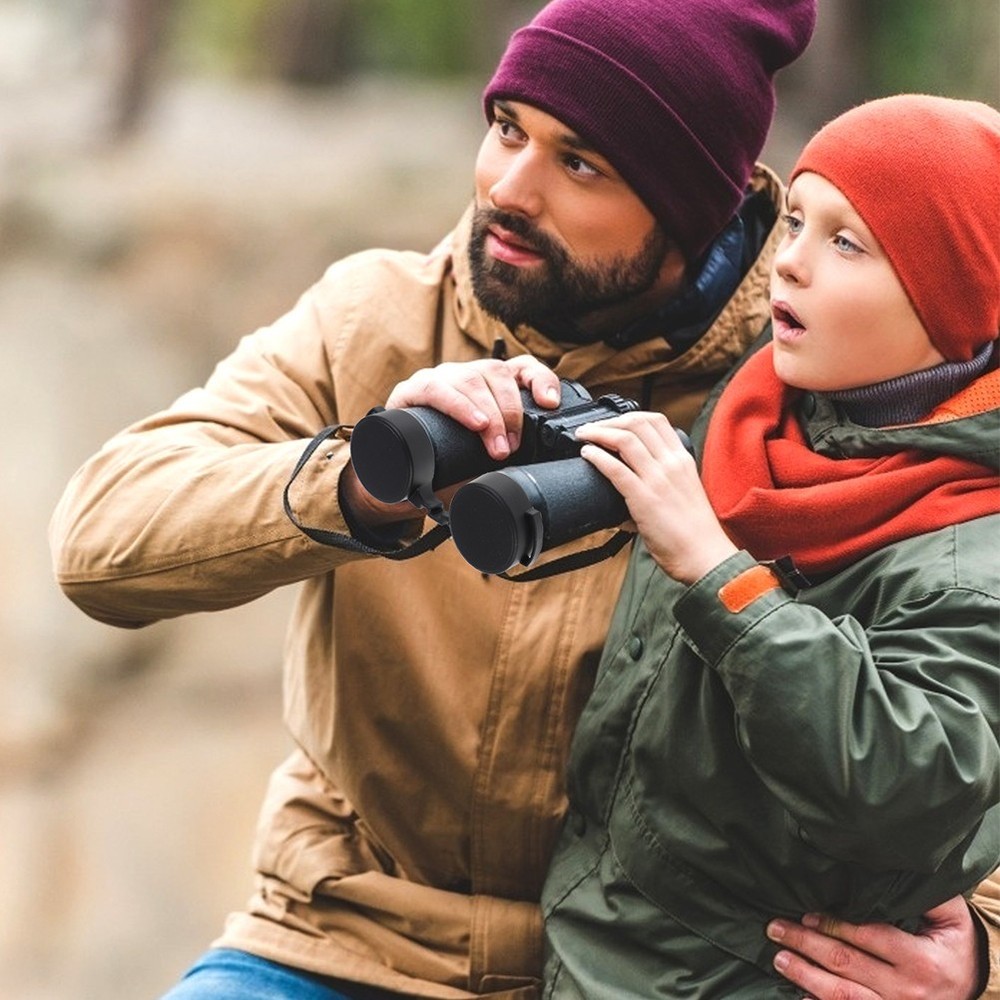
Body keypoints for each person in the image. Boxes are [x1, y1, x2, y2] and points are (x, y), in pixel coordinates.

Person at [47, 0, 996, 992]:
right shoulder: (379, 319)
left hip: (655, 969)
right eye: (506, 128)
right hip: (347, 934)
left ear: (691, 206)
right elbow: (101, 541)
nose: (508, 187)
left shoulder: (814, 371)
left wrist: (982, 951)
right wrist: (365, 482)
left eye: (578, 163)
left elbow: (946, 684)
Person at [539, 93, 1000, 998]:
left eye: (847, 243)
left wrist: (720, 576)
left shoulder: (971, 559)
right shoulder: (758, 413)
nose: (788, 261)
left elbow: (909, 790)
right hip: (586, 958)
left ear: (948, 297)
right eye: (794, 221)